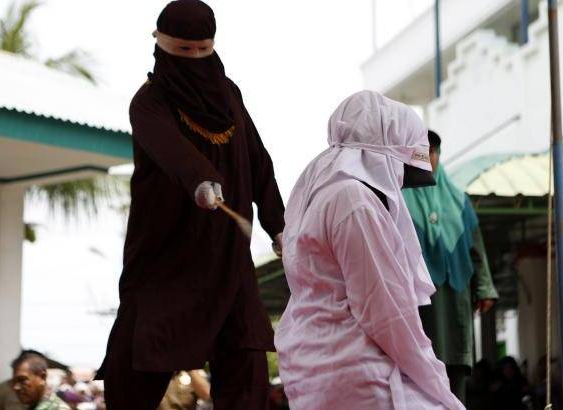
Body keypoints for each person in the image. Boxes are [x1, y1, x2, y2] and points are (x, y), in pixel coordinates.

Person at [96, 1, 285, 409]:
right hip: (168, 257)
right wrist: (200, 177)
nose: (195, 60)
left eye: (203, 50)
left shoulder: (230, 95)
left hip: (227, 257)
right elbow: (169, 147)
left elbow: (257, 160)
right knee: (139, 363)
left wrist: (279, 224)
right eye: (184, 51)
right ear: (161, 45)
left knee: (246, 360)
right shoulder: (148, 101)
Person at [275, 90, 464, 409]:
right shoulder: (355, 201)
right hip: (362, 375)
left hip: (317, 371)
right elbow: (385, 311)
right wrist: (437, 383)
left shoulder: (323, 195)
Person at [402, 130, 498, 402]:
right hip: (420, 300)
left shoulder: (459, 200)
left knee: (455, 368)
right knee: (421, 366)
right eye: (421, 152)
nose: (427, 157)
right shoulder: (399, 199)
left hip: (455, 297)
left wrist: (484, 287)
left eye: (432, 152)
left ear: (439, 155)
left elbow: (475, 247)